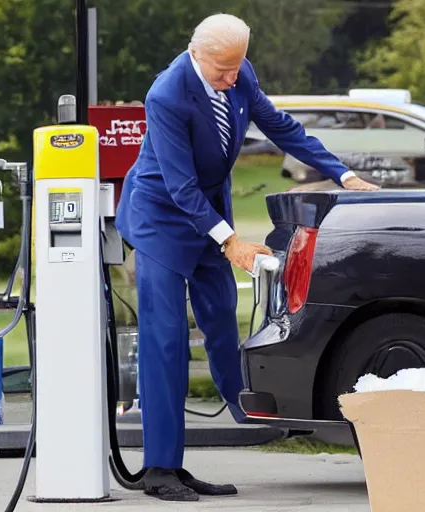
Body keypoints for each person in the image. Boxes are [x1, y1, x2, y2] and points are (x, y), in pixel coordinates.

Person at [115, 13, 379, 502]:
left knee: (221, 326)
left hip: (210, 216)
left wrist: (342, 176)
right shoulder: (166, 95)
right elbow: (179, 185)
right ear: (196, 54)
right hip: (162, 220)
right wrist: (230, 241)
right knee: (166, 340)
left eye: (237, 67)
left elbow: (280, 126)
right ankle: (160, 468)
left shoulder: (240, 70)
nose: (232, 78)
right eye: (222, 70)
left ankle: (254, 414)